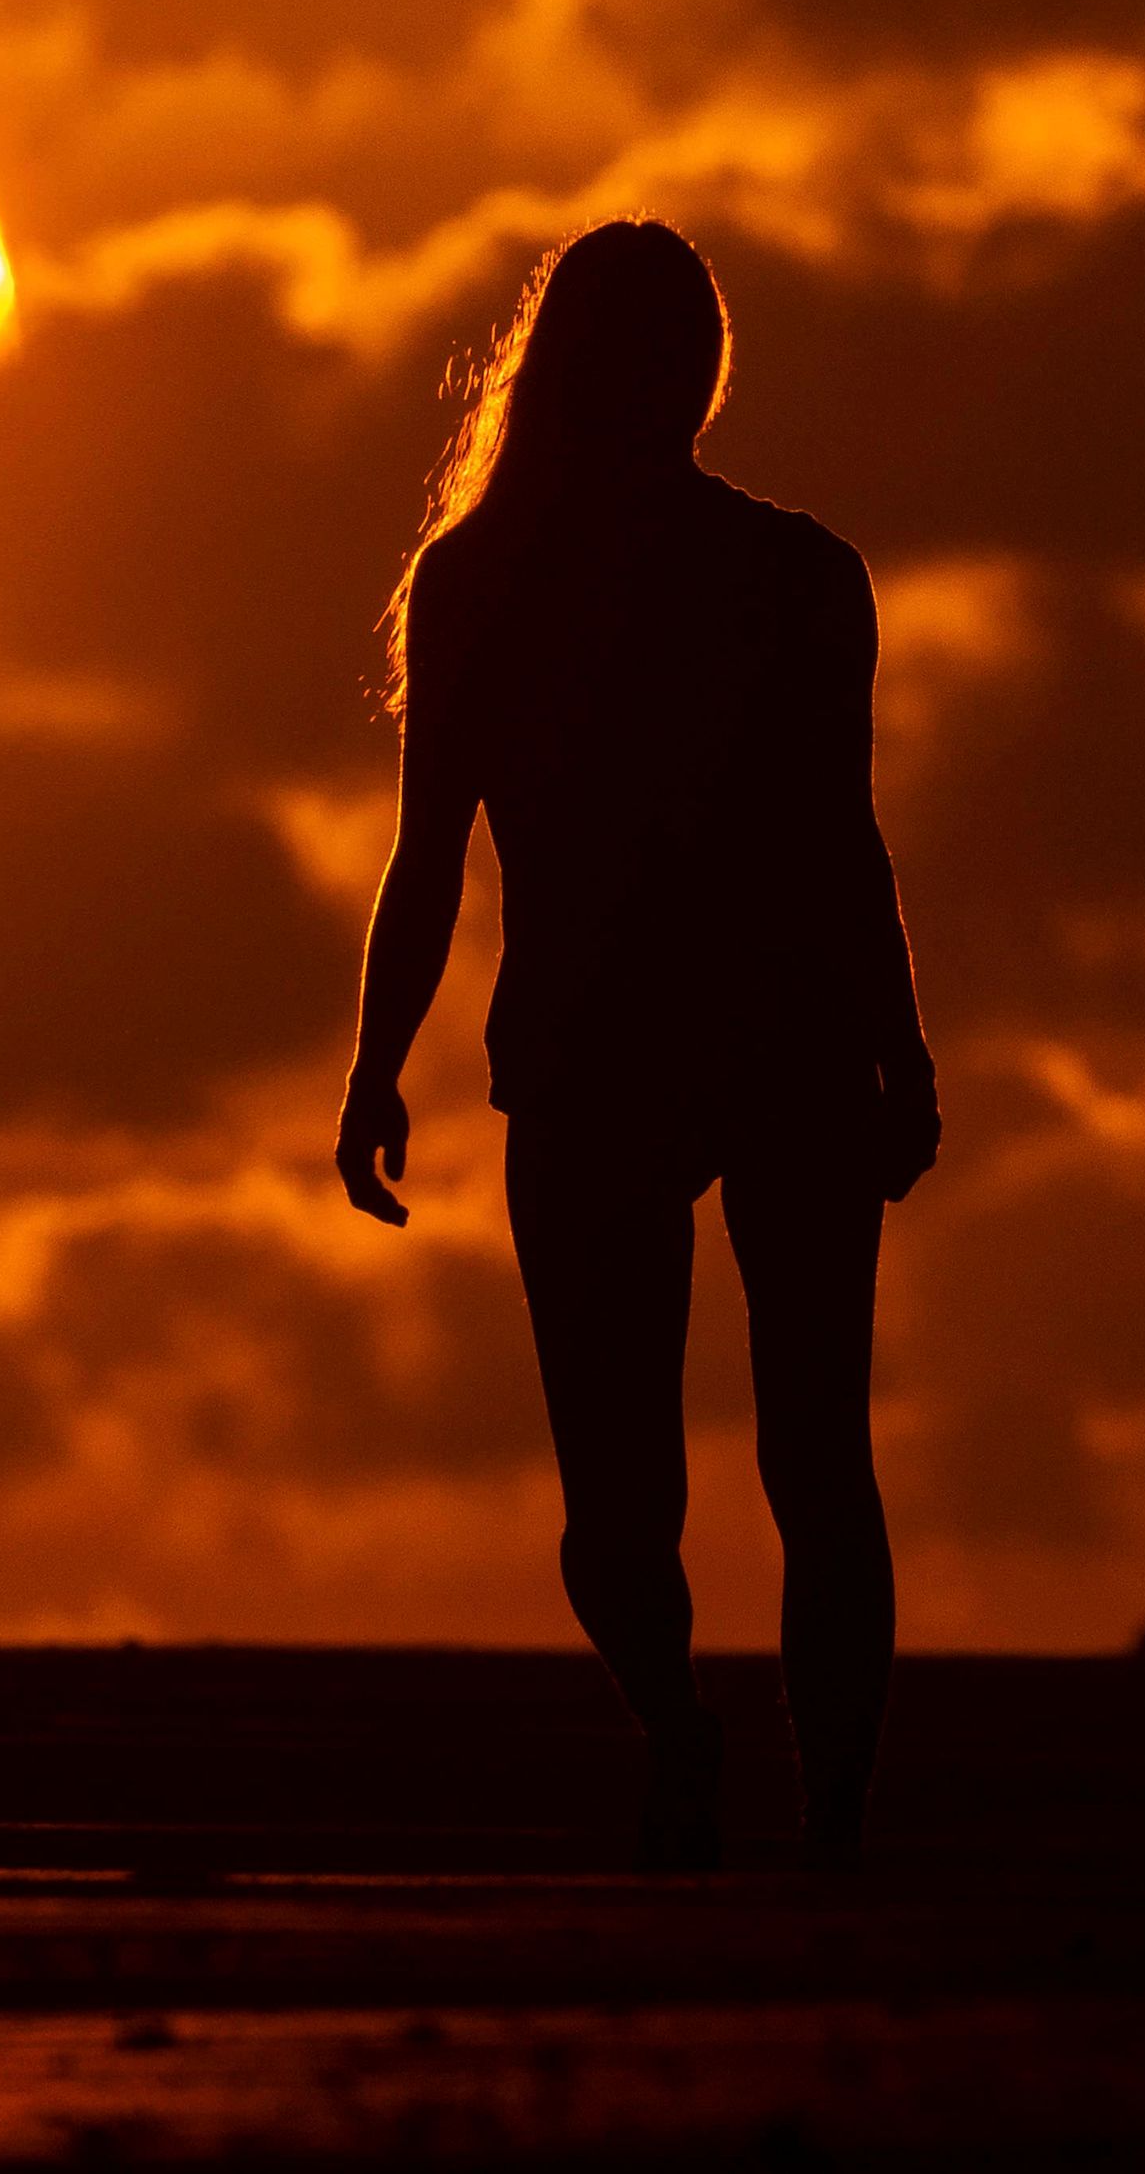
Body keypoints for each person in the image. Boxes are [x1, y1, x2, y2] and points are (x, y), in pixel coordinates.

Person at [336, 219, 941, 1871]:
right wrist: (376, 1059)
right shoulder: (483, 583)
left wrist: (904, 1042)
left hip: (768, 1038)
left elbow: (844, 831)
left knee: (813, 1452)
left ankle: (827, 1812)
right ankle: (685, 1726)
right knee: (630, 1491)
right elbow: (430, 847)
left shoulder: (793, 569)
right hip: (616, 1045)